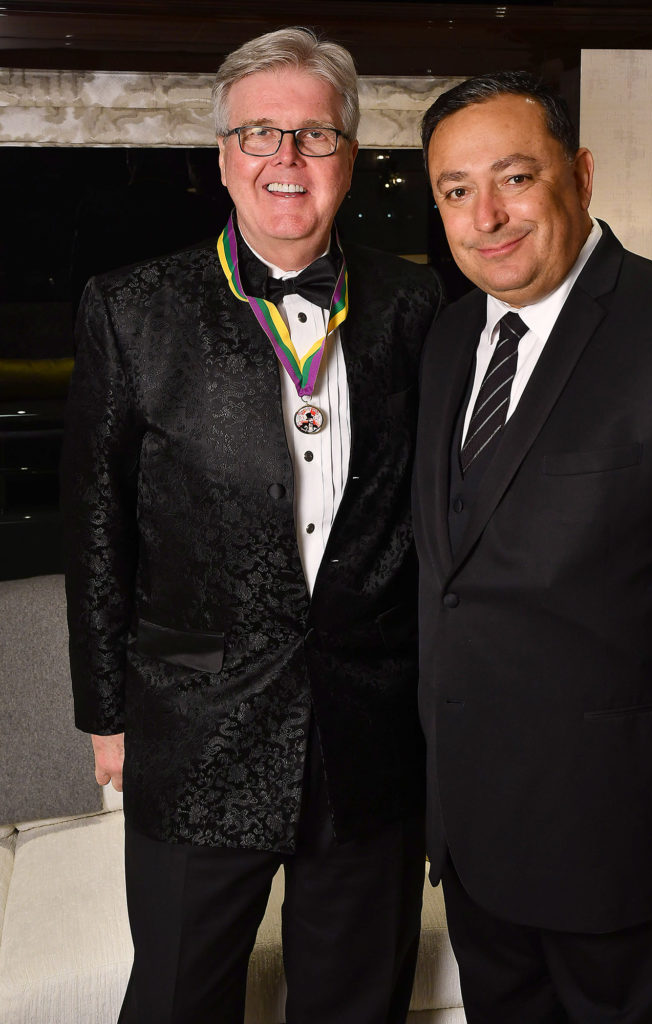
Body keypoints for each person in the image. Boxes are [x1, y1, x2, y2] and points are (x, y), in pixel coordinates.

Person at [61, 27, 442, 1024]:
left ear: (348, 161)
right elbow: (97, 520)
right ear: (223, 155)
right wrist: (105, 714)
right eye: (260, 134)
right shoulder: (132, 306)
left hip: (369, 735)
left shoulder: (416, 302)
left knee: (354, 1005)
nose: (285, 159)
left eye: (312, 138)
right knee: (180, 998)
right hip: (197, 729)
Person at [412, 70, 652, 1023]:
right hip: (476, 842)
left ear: (580, 174)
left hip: (624, 853)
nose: (487, 216)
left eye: (515, 177)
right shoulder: (451, 337)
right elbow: (456, 580)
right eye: (456, 191)